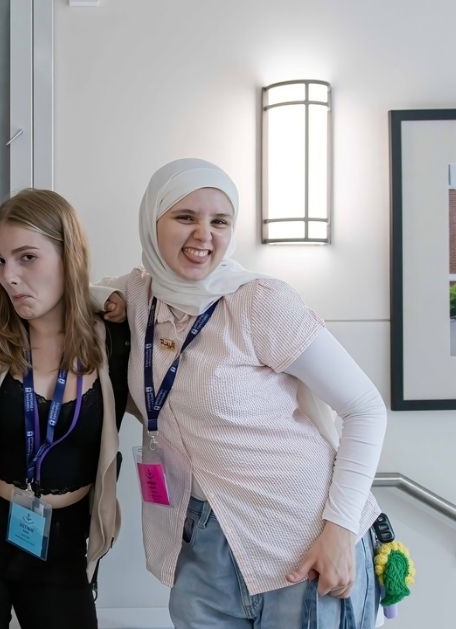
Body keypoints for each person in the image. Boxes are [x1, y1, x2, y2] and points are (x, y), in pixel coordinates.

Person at [99, 158, 387, 628]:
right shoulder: (138, 296)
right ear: (152, 221)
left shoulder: (258, 301)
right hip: (197, 547)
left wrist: (340, 530)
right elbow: (59, 287)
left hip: (301, 538)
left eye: (220, 221)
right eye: (185, 217)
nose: (203, 235)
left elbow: (365, 409)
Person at [0, 189, 130, 629]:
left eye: (27, 257)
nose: (10, 277)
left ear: (69, 255)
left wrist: (101, 294)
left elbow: (164, 297)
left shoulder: (117, 342)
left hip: (64, 545)